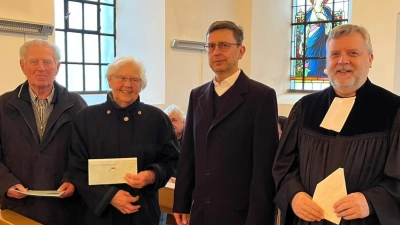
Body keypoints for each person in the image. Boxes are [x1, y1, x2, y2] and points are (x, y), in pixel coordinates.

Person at [273, 24, 400, 225]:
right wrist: (294, 195)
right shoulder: (305, 108)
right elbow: (283, 166)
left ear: (370, 59)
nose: (343, 61)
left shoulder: (393, 111)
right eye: (334, 54)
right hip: (308, 221)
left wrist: (372, 201)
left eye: (353, 53)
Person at [173, 20, 279, 225]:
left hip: (240, 213)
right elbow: (188, 153)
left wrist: (260, 218)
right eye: (211, 46)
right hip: (202, 211)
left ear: (241, 51)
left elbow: (265, 165)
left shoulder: (261, 96)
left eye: (224, 45)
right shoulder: (197, 95)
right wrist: (181, 202)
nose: (216, 52)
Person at [68, 56, 180, 225]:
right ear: (109, 80)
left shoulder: (157, 119)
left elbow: (171, 160)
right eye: (122, 78)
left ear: (141, 85)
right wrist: (109, 197)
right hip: (97, 216)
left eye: (135, 79)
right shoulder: (86, 119)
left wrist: (152, 175)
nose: (128, 84)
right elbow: (77, 168)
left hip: (142, 213)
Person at [0, 39, 87, 225]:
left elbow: (86, 152)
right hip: (19, 207)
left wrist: (73, 179)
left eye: (47, 62)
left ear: (57, 67)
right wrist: (5, 183)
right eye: (33, 61)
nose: (41, 68)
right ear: (23, 66)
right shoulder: (3, 106)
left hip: (65, 209)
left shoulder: (77, 105)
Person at [305, 0, 332, 77]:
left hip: (323, 39)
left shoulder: (326, 11)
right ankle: (311, 75)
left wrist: (324, 18)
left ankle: (323, 76)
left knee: (322, 58)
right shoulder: (310, 12)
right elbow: (306, 28)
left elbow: (331, 27)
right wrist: (302, 43)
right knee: (311, 61)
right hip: (311, 39)